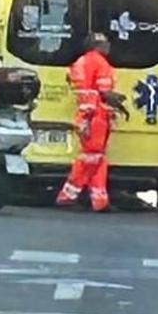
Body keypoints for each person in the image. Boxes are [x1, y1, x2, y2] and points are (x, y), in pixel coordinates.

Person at [56, 33, 118, 212]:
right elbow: (105, 92)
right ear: (97, 45)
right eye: (106, 43)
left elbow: (78, 86)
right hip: (96, 115)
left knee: (97, 158)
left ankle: (100, 200)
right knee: (91, 158)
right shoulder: (101, 63)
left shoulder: (80, 63)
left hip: (85, 114)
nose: (109, 46)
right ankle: (67, 195)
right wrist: (118, 101)